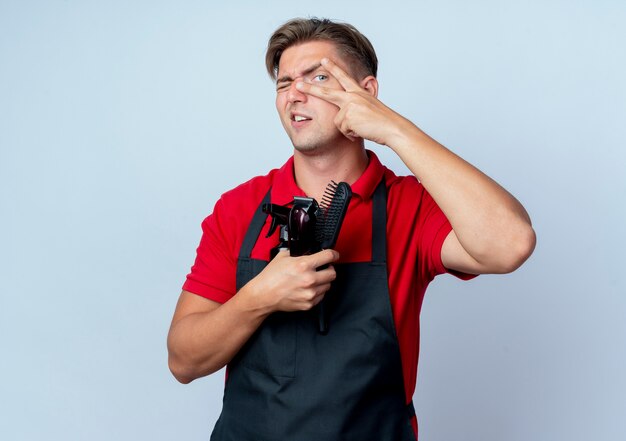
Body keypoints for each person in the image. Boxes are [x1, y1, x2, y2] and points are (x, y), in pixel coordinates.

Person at [167, 17, 536, 441]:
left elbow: (511, 243)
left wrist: (392, 129)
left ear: (366, 93)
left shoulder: (408, 206)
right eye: (283, 83)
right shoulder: (240, 208)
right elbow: (183, 360)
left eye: (318, 77)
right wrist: (259, 298)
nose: (296, 94)